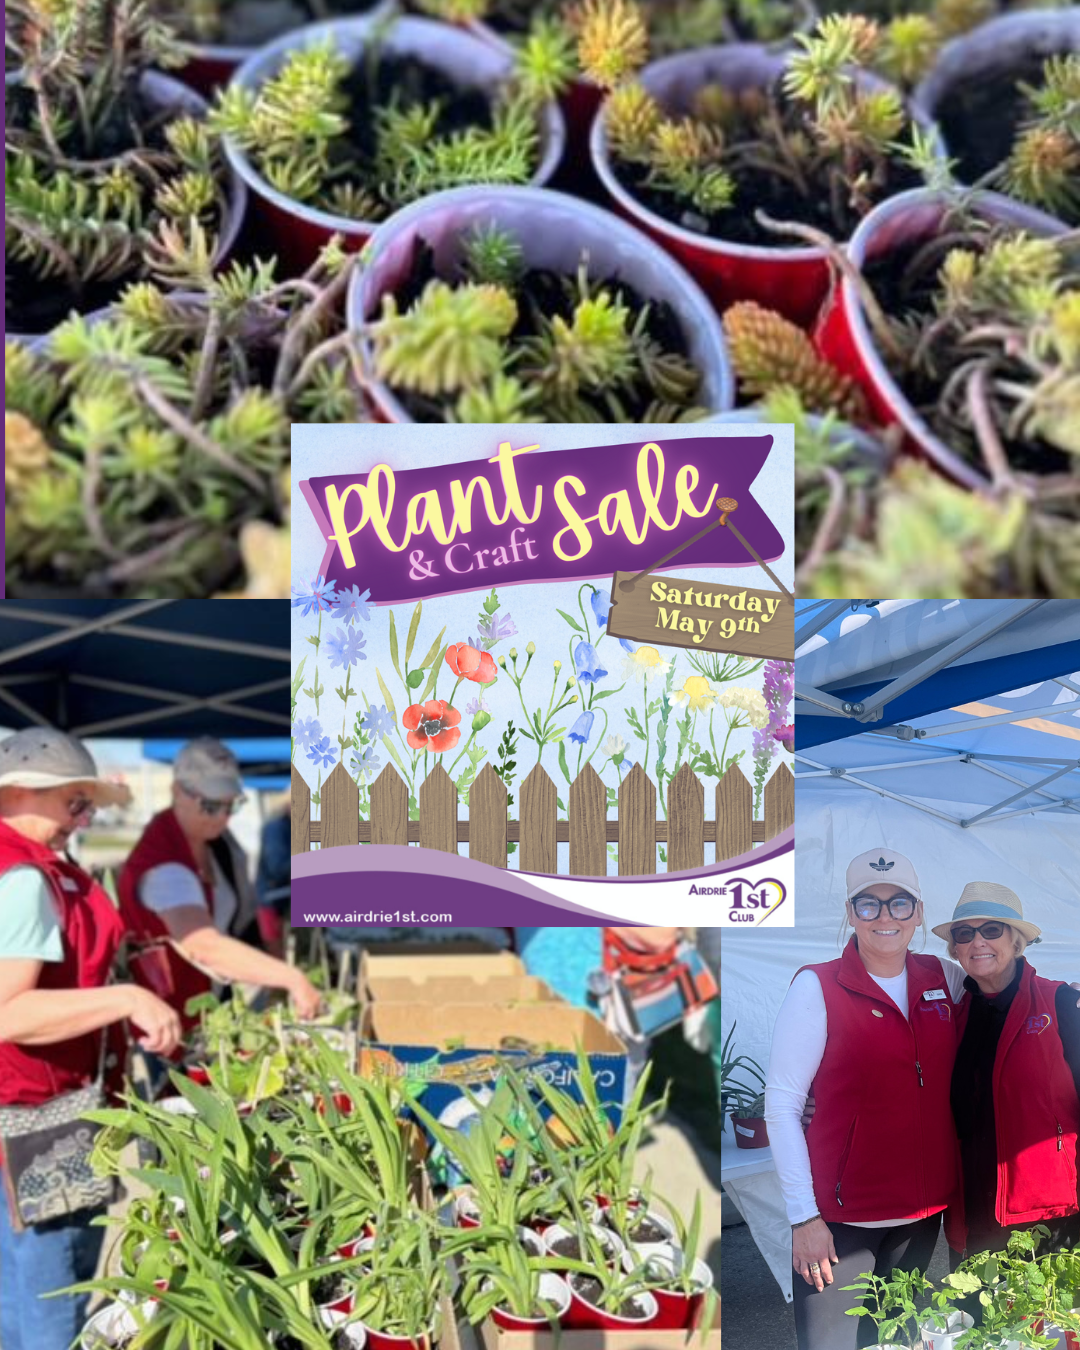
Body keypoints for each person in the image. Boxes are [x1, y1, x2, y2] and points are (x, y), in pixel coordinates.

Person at [0, 728, 183, 1350]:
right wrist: (127, 997)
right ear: (21, 792)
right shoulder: (23, 876)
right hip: (39, 1118)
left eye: (89, 807)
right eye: (74, 804)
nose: (82, 819)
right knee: (56, 1287)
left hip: (47, 1109)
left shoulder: (37, 864)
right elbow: (8, 1013)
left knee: (22, 1281)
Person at [765, 847, 968, 1350]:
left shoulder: (944, 977)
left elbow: (1001, 1003)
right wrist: (803, 1218)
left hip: (921, 1214)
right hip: (840, 1222)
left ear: (918, 914)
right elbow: (783, 1106)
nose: (885, 916)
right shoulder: (818, 986)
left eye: (900, 903)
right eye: (868, 904)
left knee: (891, 1340)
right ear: (851, 913)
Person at [119, 738, 320, 1025]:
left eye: (231, 806)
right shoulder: (162, 864)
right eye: (211, 806)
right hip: (169, 1016)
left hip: (213, 1003)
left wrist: (270, 964)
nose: (223, 818)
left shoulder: (219, 843)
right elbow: (202, 945)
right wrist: (289, 976)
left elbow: (243, 914)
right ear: (177, 791)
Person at [934, 883, 1080, 1266]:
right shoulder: (952, 1014)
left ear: (1016, 941)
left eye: (992, 930)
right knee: (977, 1321)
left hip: (1049, 1215)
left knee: (1043, 1325)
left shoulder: (1061, 1002)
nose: (977, 941)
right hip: (972, 1210)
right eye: (965, 933)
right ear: (955, 949)